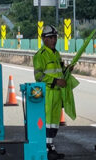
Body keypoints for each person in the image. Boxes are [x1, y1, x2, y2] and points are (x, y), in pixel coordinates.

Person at [33, 25, 73, 160]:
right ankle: (45, 148)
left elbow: (60, 71)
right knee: (47, 122)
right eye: (50, 38)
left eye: (55, 37)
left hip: (57, 94)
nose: (53, 40)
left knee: (54, 122)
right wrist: (55, 81)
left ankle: (50, 147)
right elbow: (38, 76)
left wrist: (68, 70)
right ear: (44, 39)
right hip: (48, 93)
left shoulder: (56, 54)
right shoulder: (40, 55)